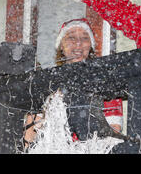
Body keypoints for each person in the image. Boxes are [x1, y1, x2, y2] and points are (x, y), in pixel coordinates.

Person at [22, 18, 123, 149]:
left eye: (85, 38)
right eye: (71, 37)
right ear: (61, 47)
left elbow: (113, 134)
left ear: (90, 46)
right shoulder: (46, 85)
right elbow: (29, 138)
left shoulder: (105, 84)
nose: (78, 43)